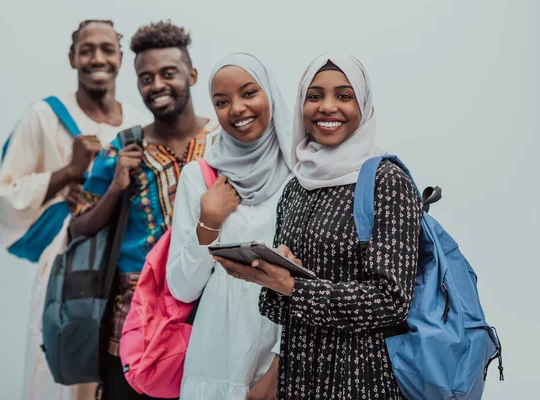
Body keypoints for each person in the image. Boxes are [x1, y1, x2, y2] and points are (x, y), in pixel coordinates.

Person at [216, 53, 424, 399]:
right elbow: (276, 308)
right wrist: (268, 273)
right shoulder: (297, 186)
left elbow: (391, 301)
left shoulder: (387, 182)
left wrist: (296, 288)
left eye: (344, 96)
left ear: (363, 105)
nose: (327, 107)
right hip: (298, 378)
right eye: (315, 96)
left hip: (361, 379)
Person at [0, 20, 148, 400]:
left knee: (117, 367)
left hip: (124, 265)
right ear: (72, 57)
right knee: (63, 371)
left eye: (107, 49)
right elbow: (6, 195)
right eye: (87, 49)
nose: (98, 58)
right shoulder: (44, 116)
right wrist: (70, 172)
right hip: (69, 264)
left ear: (120, 57)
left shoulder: (137, 122)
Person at [69, 21, 219, 400]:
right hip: (137, 328)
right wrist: (117, 187)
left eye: (168, 73)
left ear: (192, 74)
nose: (156, 85)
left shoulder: (224, 143)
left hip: (213, 316)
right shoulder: (123, 148)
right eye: (145, 77)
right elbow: (77, 228)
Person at [166, 53, 292, 400]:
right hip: (215, 356)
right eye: (221, 102)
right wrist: (209, 222)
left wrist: (278, 373)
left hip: (281, 350)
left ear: (270, 94)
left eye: (249, 93)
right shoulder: (200, 176)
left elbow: (312, 280)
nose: (236, 108)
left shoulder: (302, 174)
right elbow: (182, 289)